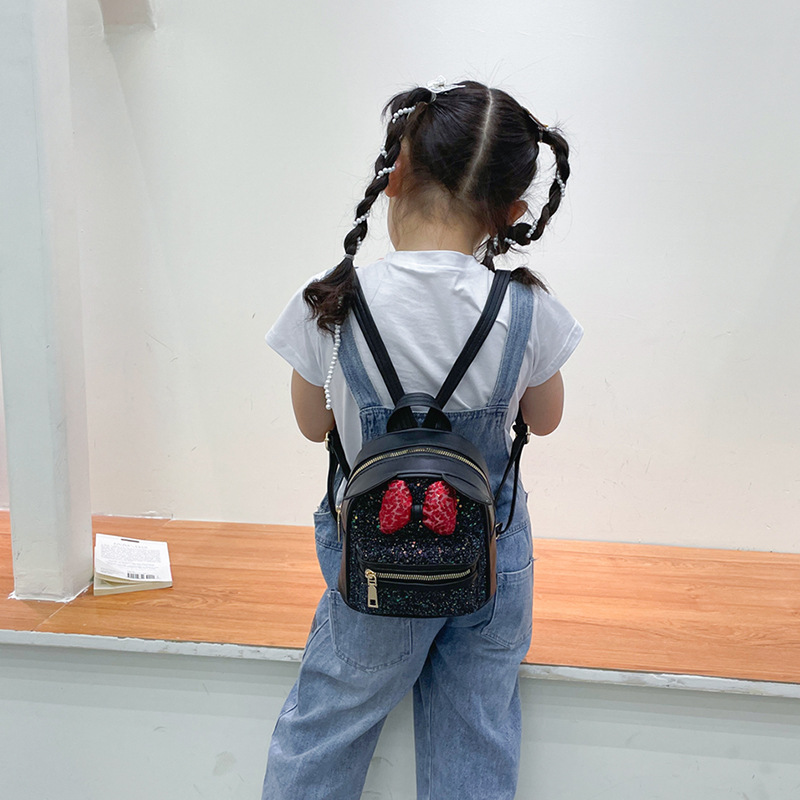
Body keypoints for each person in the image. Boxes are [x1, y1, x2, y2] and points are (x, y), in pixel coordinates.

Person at [263, 76, 583, 800]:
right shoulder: (525, 307)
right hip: (490, 561)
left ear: (394, 175)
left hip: (375, 562)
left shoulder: (332, 300)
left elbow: (313, 425)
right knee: (476, 735)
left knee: (325, 731)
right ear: (513, 212)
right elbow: (546, 418)